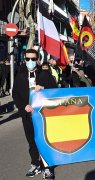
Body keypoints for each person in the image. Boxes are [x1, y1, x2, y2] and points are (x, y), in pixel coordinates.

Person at [12, 49, 57, 179]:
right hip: (27, 116)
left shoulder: (44, 75)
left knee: (44, 141)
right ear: (24, 60)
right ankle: (35, 164)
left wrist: (43, 88)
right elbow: (15, 94)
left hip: (43, 116)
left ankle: (47, 167)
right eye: (27, 59)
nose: (30, 61)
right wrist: (23, 106)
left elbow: (55, 91)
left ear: (37, 59)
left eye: (33, 59)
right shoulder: (20, 76)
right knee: (31, 142)